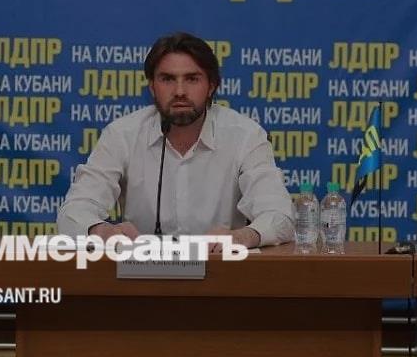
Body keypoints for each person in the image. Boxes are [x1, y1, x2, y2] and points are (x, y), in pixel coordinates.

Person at [57, 32, 293, 248]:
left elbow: (280, 215)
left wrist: (242, 237)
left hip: (222, 272)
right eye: (168, 79)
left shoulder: (245, 136)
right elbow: (74, 211)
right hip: (139, 273)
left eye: (192, 79)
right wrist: (101, 231)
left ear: (211, 86)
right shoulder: (122, 135)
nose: (180, 91)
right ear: (152, 87)